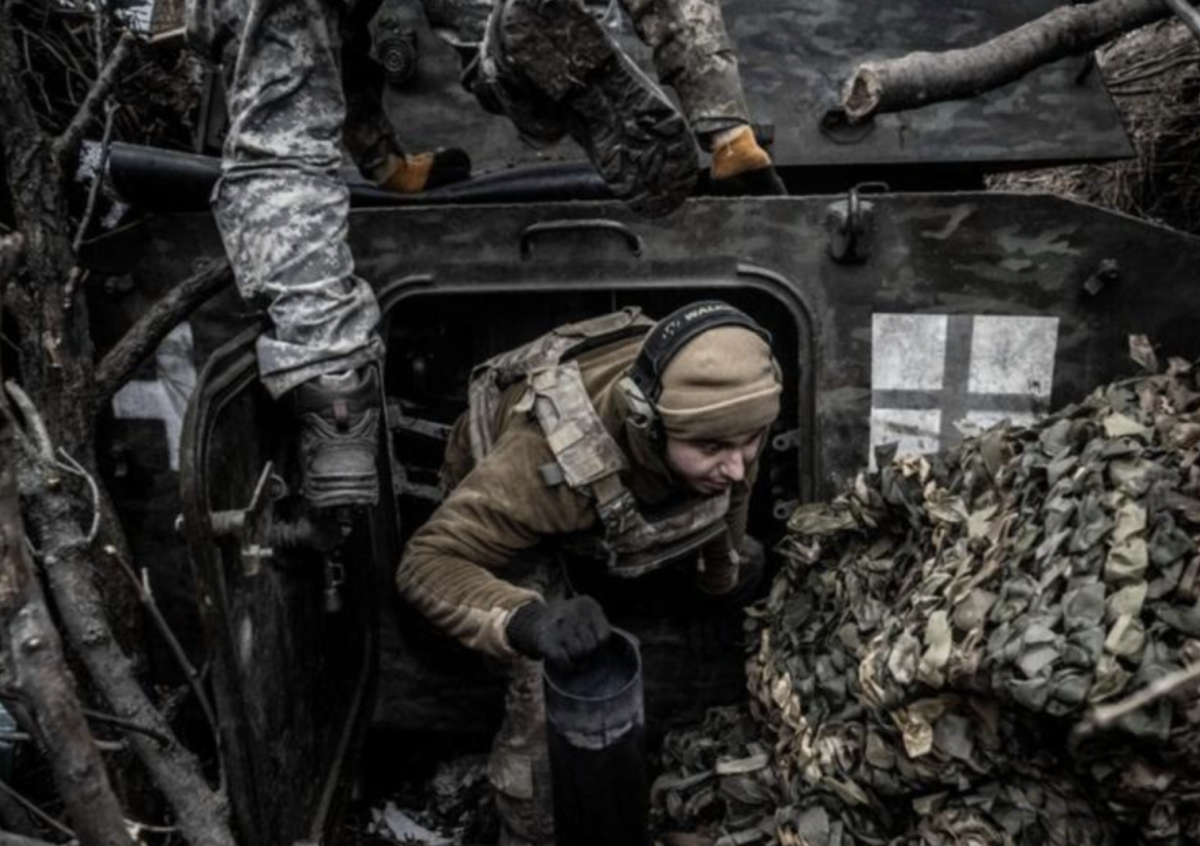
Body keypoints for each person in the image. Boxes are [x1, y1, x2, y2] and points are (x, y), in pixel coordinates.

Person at [395, 301, 783, 845]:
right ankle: (531, 833)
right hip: (520, 521)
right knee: (544, 680)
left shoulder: (730, 420)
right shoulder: (542, 459)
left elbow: (730, 509)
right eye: (712, 447)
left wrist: (721, 578)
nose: (738, 466)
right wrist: (529, 620)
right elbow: (426, 562)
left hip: (606, 511)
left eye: (750, 441)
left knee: (750, 559)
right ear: (649, 425)